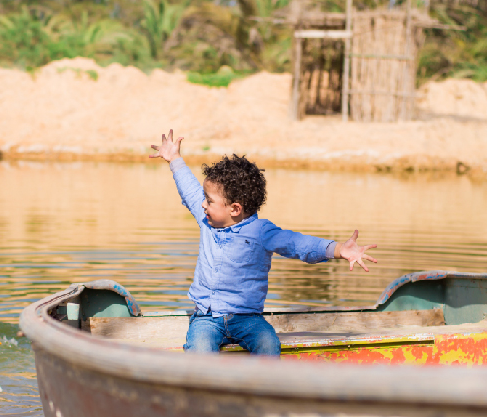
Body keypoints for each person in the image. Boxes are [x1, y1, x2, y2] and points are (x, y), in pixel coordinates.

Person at [149, 129, 378, 355]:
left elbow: (298, 244)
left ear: (235, 208)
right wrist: (175, 159)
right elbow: (189, 189)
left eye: (209, 201)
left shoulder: (260, 231)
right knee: (199, 349)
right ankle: (206, 388)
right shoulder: (207, 219)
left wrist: (338, 249)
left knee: (268, 344)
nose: (202, 205)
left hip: (247, 318)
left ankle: (261, 386)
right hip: (207, 317)